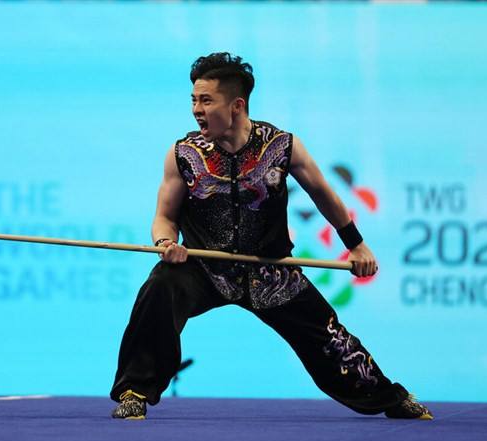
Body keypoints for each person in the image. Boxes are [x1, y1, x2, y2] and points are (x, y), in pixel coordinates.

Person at [109, 52, 432, 421]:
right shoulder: (183, 154)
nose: (197, 109)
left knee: (330, 340)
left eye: (206, 100)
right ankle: (135, 391)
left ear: (237, 105)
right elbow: (164, 217)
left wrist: (355, 245)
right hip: (203, 269)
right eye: (193, 100)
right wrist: (166, 244)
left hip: (270, 272)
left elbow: (324, 194)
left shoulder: (282, 146)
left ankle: (390, 398)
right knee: (160, 287)